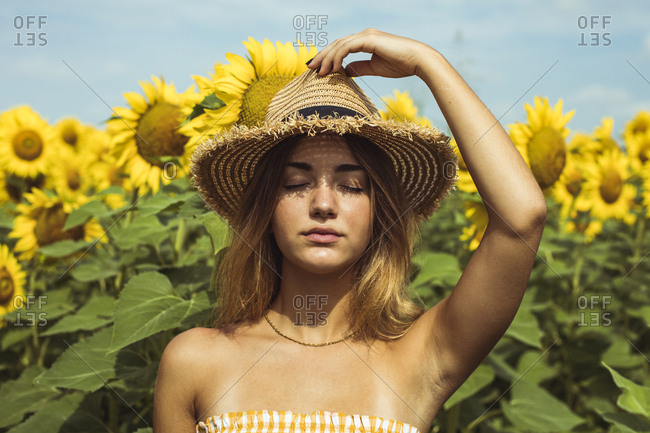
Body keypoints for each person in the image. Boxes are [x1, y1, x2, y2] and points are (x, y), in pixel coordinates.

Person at [152, 28, 547, 433]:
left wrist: (427, 62)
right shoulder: (194, 361)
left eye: (352, 186)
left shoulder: (419, 355)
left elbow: (523, 218)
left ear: (380, 212)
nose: (323, 204)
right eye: (295, 183)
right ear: (266, 208)